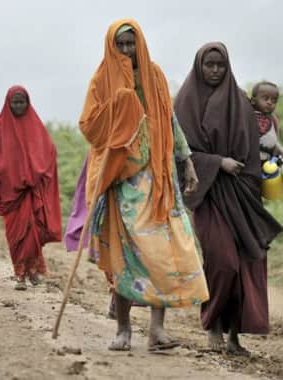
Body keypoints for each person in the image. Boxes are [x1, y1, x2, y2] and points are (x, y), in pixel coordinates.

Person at [79, 19, 209, 351]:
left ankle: (157, 331)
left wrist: (187, 160)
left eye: (130, 44)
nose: (126, 51)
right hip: (121, 180)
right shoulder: (102, 79)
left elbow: (168, 118)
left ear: (140, 44)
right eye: (119, 45)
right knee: (125, 255)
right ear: (111, 46)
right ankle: (123, 330)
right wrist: (120, 104)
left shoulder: (154, 75)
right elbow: (90, 128)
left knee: (162, 253)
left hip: (159, 179)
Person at [174, 42, 283, 356]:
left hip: (244, 193)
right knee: (223, 263)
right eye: (209, 65)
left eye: (220, 65)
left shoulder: (240, 101)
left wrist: (276, 166)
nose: (214, 71)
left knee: (248, 264)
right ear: (199, 66)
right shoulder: (185, 103)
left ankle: (234, 336)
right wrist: (217, 162)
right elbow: (180, 154)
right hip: (208, 194)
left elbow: (258, 145)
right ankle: (212, 328)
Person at [0, 86, 62, 291]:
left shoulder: (36, 126)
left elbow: (49, 150)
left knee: (34, 233)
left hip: (32, 191)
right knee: (16, 236)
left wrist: (39, 171)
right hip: (11, 192)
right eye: (14, 102)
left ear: (28, 103)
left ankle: (32, 271)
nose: (18, 106)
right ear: (8, 103)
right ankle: (20, 274)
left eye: (21, 102)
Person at [251, 81, 283, 162]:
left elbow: (275, 140)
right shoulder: (247, 115)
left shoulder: (273, 120)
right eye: (265, 98)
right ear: (253, 100)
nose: (270, 102)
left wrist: (281, 152)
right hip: (248, 161)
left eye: (274, 101)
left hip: (267, 163)